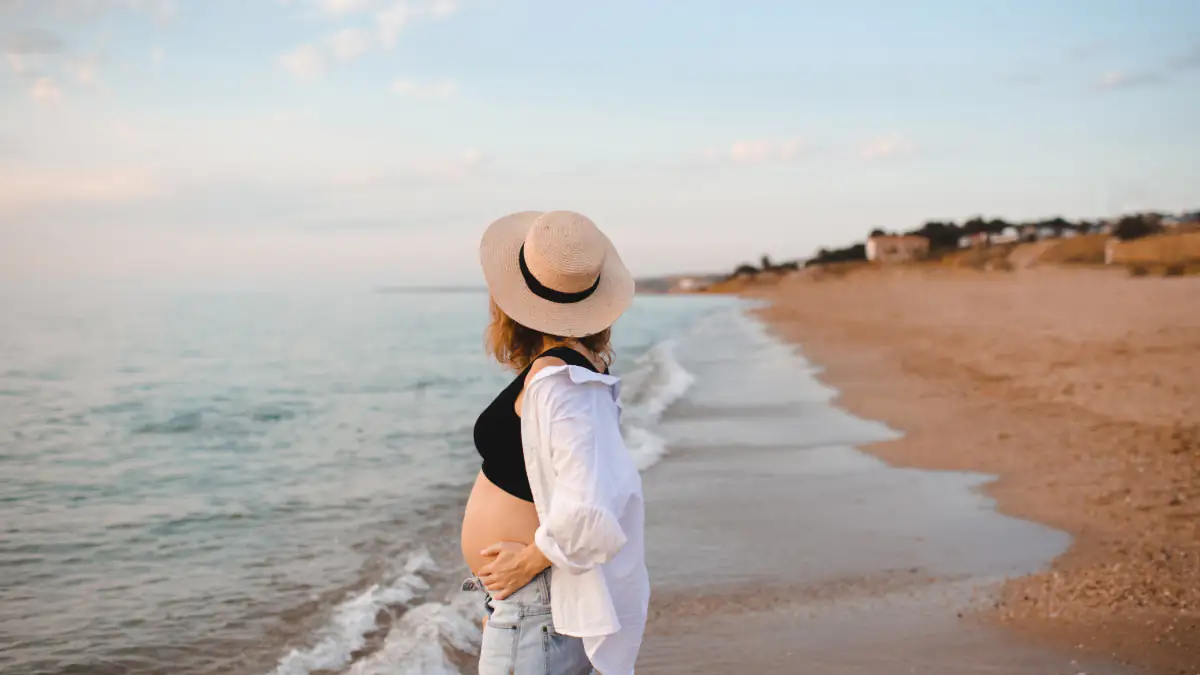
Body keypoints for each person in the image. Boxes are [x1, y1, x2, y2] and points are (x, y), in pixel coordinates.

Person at [460, 211, 648, 675]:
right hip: (528, 602)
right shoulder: (569, 370)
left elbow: (593, 505)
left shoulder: (561, 381)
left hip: (535, 601)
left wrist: (528, 563)